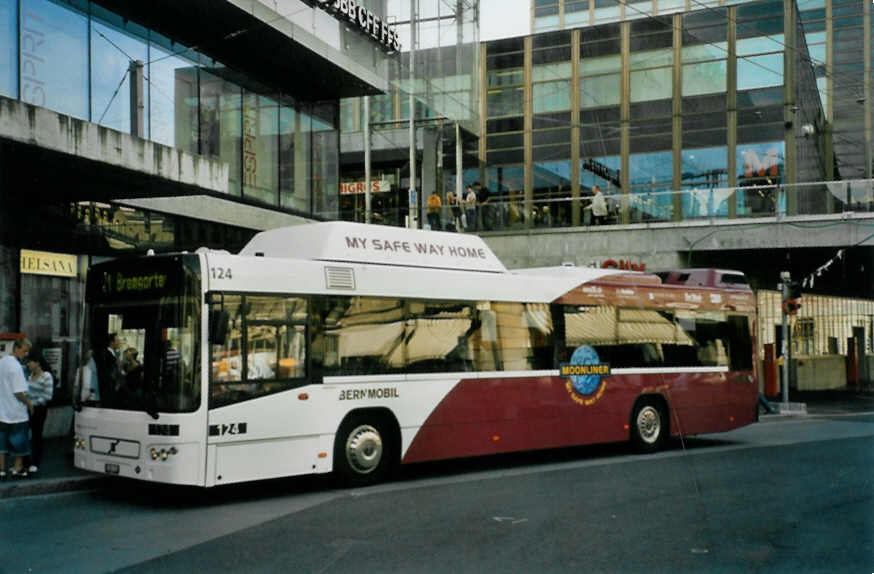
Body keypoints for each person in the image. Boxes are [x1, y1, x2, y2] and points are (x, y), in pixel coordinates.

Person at [0, 338, 33, 479]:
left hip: (2, 410)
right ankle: (17, 468)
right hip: (16, 412)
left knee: (1, 442)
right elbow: (18, 392)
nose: (25, 354)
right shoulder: (16, 367)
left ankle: (1, 470)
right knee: (19, 441)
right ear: (17, 348)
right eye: (24, 351)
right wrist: (28, 403)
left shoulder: (2, 362)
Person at [24, 353, 52, 475]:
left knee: (36, 435)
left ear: (37, 362)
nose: (28, 364)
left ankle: (35, 462)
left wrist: (33, 404)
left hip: (39, 410)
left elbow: (47, 396)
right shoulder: (30, 376)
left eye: (30, 362)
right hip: (27, 409)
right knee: (24, 434)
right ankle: (25, 462)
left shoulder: (46, 376)